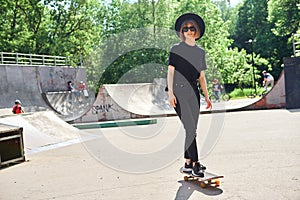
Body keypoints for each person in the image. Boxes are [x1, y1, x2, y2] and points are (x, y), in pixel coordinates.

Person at [167, 13, 212, 177]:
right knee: (190, 129)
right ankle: (196, 164)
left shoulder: (200, 52)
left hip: (194, 92)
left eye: (192, 28)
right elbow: (170, 72)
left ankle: (187, 162)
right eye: (185, 28)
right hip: (178, 92)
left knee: (191, 129)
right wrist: (170, 93)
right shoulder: (176, 49)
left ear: (197, 31)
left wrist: (207, 96)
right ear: (181, 31)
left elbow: (201, 76)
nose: (189, 31)